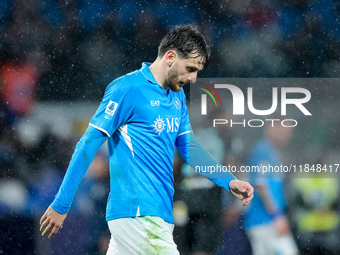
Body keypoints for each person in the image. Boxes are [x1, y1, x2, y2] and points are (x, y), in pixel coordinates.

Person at [39, 24, 254, 255]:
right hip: (139, 214)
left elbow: (190, 148)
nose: (193, 78)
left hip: (157, 214)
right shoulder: (128, 88)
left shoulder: (176, 96)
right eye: (190, 68)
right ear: (170, 57)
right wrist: (61, 204)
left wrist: (228, 181)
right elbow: (87, 145)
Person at [243, 121, 298, 255]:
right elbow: (261, 185)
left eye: (289, 132)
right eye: (284, 130)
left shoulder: (272, 152)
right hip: (264, 221)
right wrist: (277, 216)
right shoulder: (263, 151)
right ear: (271, 129)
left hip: (266, 221)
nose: (287, 135)